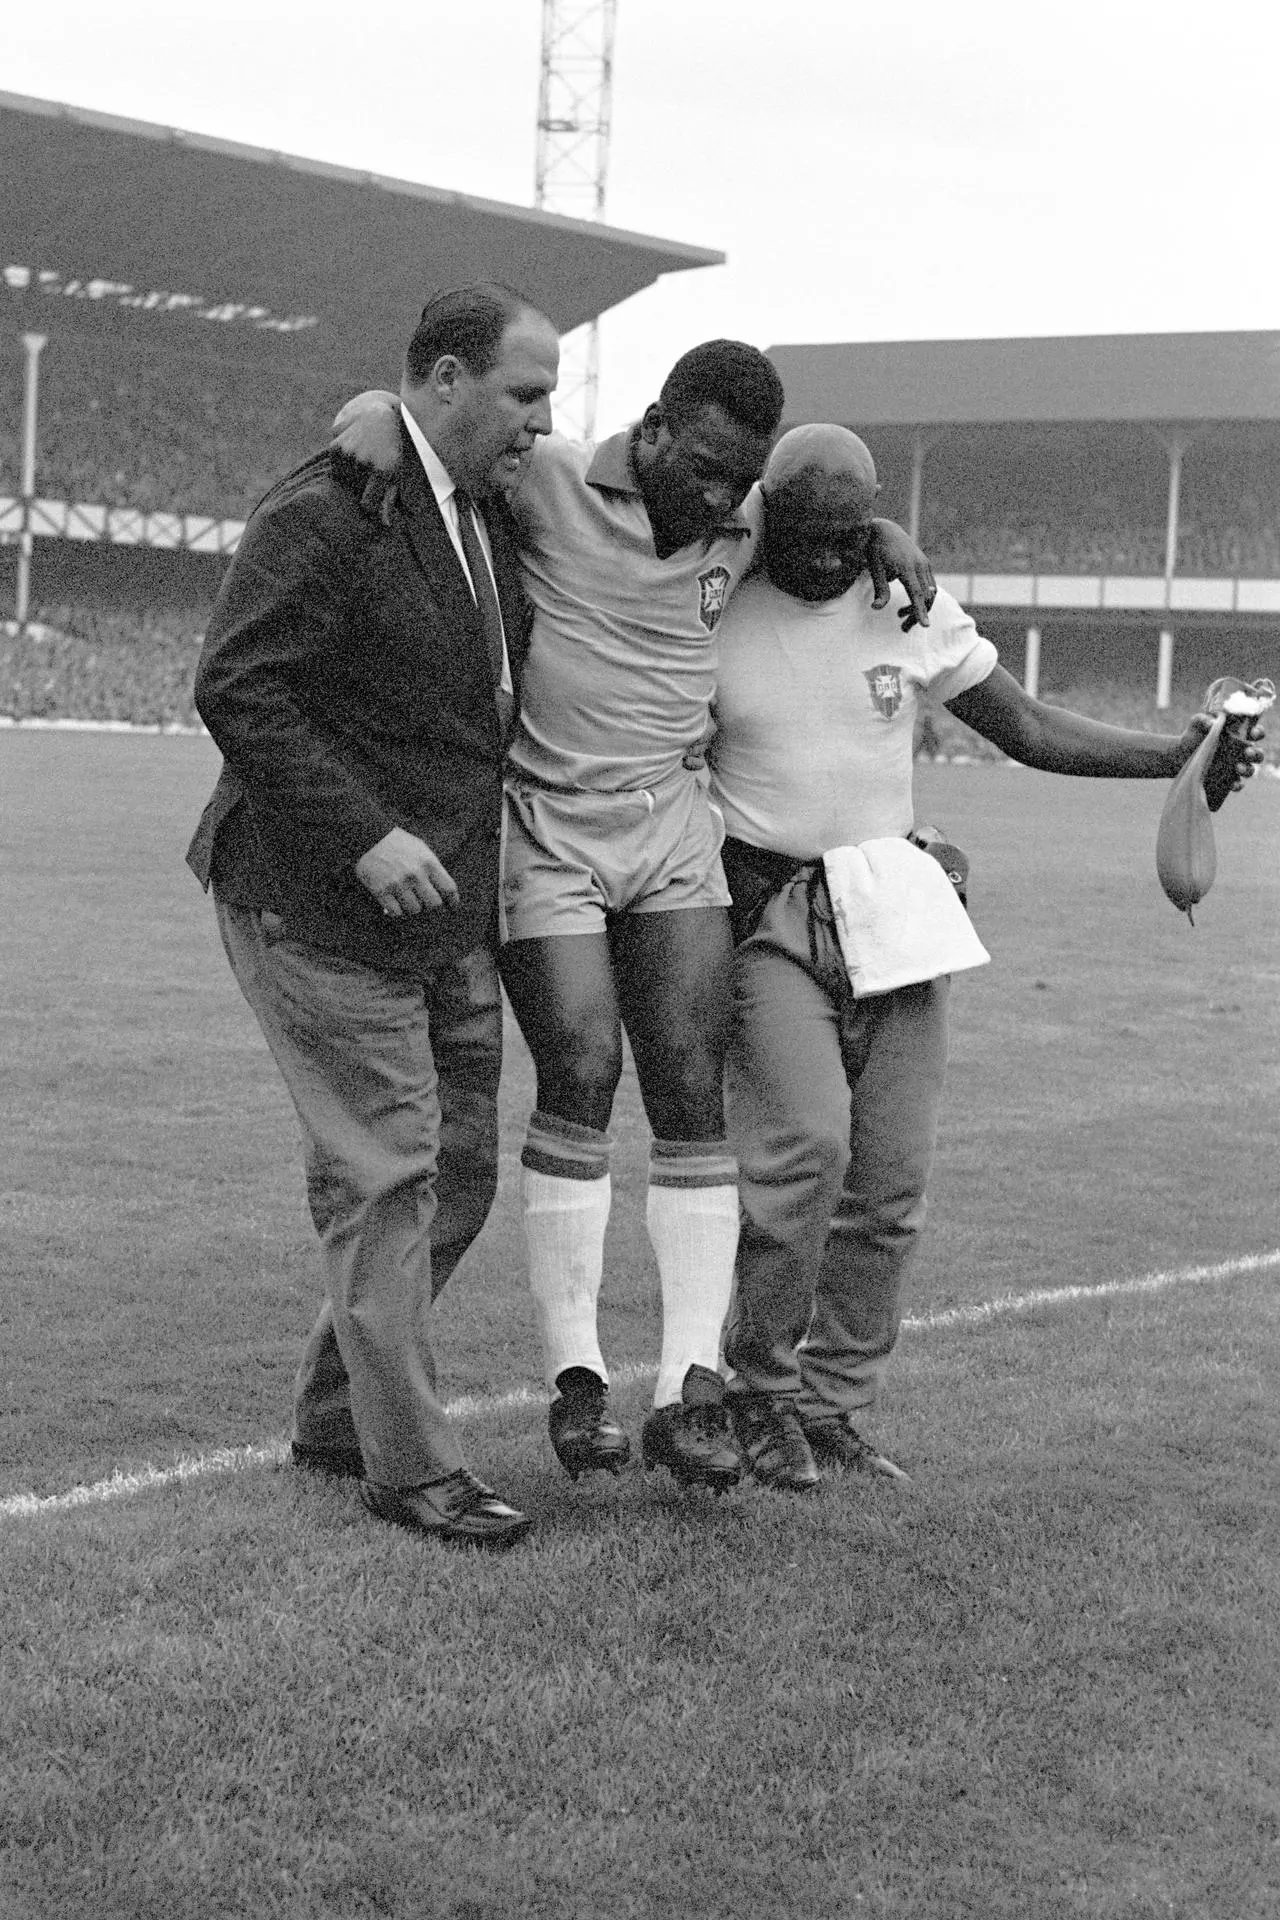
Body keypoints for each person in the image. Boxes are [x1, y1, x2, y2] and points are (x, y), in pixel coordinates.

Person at [330, 348, 936, 1493]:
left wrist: (886, 534)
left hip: (672, 822)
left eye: (737, 482)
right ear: (650, 429)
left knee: (690, 1086)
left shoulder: (749, 515)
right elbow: (432, 441)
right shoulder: (549, 476)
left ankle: (689, 1394)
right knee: (579, 1067)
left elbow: (817, 506)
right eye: (704, 470)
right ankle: (575, 1384)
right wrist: (371, 408)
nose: (718, 502)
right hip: (550, 822)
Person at [707, 424, 1266, 1492]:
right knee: (802, 1158)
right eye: (811, 538)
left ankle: (831, 1408)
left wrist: (1176, 757)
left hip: (893, 906)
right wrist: (873, 525)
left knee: (890, 1185)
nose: (829, 563)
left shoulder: (897, 596)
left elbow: (1017, 723)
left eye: (846, 538)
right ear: (766, 515)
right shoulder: (715, 589)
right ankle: (757, 1396)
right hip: (768, 903)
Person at [187, 283, 560, 1548]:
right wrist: (366, 833)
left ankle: (337, 1417)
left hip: (443, 911)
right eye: (523, 394)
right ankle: (413, 1467)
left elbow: (654, 470)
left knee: (457, 1172)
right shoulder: (329, 506)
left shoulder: (483, 506)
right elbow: (238, 685)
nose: (543, 422)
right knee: (390, 1175)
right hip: (315, 903)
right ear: (443, 381)